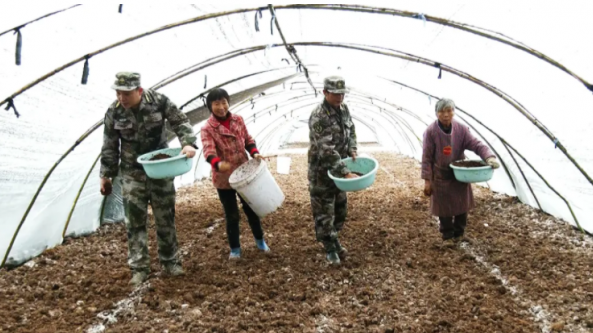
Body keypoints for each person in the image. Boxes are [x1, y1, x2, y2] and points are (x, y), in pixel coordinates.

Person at [100, 72, 198, 286]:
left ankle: (171, 262)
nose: (121, 98)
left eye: (126, 93)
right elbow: (109, 145)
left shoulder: (159, 102)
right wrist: (106, 175)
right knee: (134, 222)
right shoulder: (114, 112)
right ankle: (139, 268)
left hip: (159, 169)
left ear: (139, 91)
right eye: (118, 93)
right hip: (132, 173)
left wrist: (188, 142)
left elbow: (180, 121)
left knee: (165, 217)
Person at [200, 88, 270, 260]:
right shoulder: (208, 128)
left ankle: (260, 240)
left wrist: (254, 152)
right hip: (224, 179)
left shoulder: (238, 119)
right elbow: (208, 150)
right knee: (232, 214)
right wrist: (218, 164)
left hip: (244, 174)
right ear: (210, 106)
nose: (221, 107)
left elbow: (247, 139)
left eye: (224, 102)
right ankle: (235, 249)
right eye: (216, 103)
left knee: (251, 209)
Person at [421, 98, 500, 245]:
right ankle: (447, 236)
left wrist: (489, 157)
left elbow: (476, 144)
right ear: (437, 113)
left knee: (461, 204)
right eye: (442, 111)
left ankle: (459, 233)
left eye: (449, 111)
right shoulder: (431, 132)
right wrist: (427, 180)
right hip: (440, 175)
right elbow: (426, 157)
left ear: (453, 112)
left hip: (459, 174)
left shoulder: (461, 129)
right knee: (443, 207)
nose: (446, 115)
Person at [308, 76, 359, 265]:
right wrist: (345, 171)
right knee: (324, 212)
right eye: (335, 94)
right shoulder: (319, 116)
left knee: (340, 210)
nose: (339, 97)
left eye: (342, 93)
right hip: (322, 173)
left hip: (339, 170)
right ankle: (330, 248)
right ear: (325, 93)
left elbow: (351, 129)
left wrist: (352, 147)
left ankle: (334, 239)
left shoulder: (344, 109)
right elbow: (326, 149)